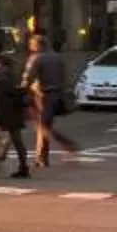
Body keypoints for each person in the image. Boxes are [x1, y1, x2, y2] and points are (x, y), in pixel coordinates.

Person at [0, 46, 34, 180]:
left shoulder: (1, 77)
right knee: (13, 140)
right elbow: (16, 91)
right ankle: (21, 167)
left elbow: (3, 98)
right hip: (14, 111)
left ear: (0, 63)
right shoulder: (11, 74)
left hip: (8, 113)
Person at [26, 31, 70, 169]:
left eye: (32, 44)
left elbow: (28, 78)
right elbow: (64, 77)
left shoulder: (36, 58)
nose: (30, 47)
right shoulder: (58, 58)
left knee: (42, 127)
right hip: (56, 94)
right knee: (44, 125)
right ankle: (42, 158)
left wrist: (22, 89)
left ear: (39, 45)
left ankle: (64, 146)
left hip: (42, 95)